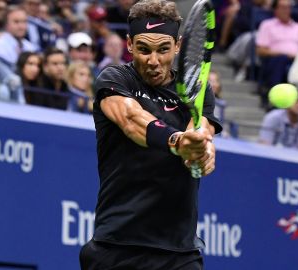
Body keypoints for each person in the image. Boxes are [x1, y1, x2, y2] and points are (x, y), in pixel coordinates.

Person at [79, 1, 222, 269]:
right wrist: (177, 141)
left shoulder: (198, 90)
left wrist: (202, 151)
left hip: (180, 252)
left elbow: (201, 129)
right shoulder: (114, 79)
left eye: (163, 49)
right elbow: (132, 119)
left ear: (178, 46)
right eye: (144, 49)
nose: (153, 61)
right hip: (118, 246)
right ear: (130, 44)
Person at [256, 0, 298, 96]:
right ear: (275, 10)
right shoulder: (267, 25)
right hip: (274, 60)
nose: (286, 10)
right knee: (280, 60)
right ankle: (274, 93)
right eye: (283, 7)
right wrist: (282, 54)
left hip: (296, 60)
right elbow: (260, 50)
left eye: (288, 7)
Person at [0, 6, 37, 83]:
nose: (21, 26)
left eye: (24, 22)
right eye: (16, 22)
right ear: (6, 24)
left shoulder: (31, 47)